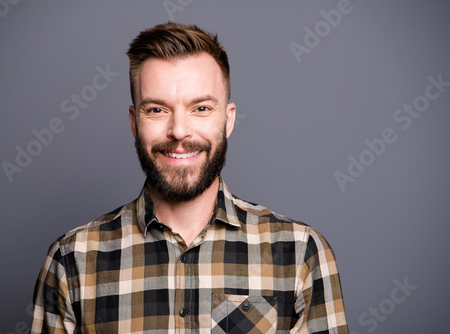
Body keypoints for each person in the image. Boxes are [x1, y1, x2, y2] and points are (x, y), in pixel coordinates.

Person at [30, 22, 348, 333]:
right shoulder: (72, 261)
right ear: (133, 122)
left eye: (201, 108)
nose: (180, 130)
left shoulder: (299, 253)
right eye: (156, 109)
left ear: (228, 120)